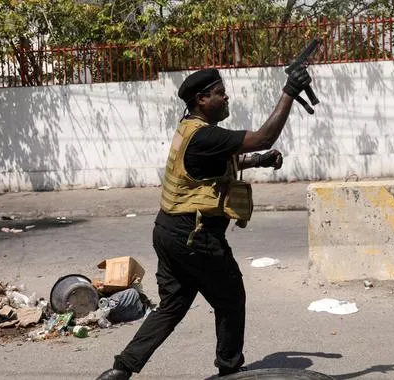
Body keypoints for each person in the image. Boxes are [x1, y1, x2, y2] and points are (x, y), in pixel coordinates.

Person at [96, 65, 311, 380]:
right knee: (231, 298)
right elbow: (265, 136)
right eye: (220, 94)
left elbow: (212, 162)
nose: (226, 99)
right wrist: (289, 92)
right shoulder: (207, 135)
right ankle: (230, 370)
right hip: (195, 236)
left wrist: (257, 161)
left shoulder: (189, 129)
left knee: (173, 306)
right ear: (201, 99)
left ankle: (120, 369)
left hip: (168, 231)